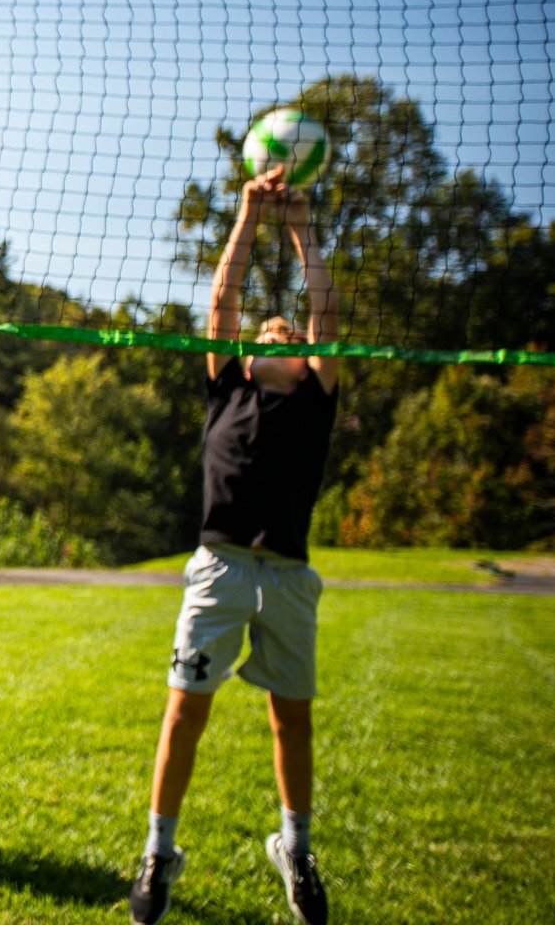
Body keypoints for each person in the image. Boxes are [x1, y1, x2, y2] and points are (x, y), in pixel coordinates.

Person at [130, 168, 338, 925]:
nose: (269, 338)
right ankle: (159, 850)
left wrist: (302, 226)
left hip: (287, 574)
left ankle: (297, 849)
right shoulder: (228, 389)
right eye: (260, 336)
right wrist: (249, 213)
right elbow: (222, 301)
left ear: (304, 359)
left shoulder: (315, 401)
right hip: (218, 566)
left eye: (282, 337)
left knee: (294, 719)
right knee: (184, 712)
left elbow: (324, 310)